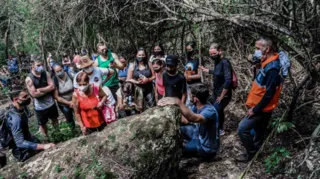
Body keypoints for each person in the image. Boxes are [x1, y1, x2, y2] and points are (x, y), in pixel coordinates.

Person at [236, 37, 282, 162]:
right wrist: (257, 65)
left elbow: (269, 93)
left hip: (262, 108)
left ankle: (251, 154)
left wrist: (255, 109)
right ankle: (256, 153)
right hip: (260, 106)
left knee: (242, 129)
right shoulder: (267, 61)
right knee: (259, 131)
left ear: (266, 49)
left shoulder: (272, 68)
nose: (255, 51)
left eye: (257, 48)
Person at [158, 83, 219, 159]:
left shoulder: (210, 111)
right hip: (197, 133)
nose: (188, 96)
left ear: (196, 99)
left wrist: (178, 102)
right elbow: (186, 120)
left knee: (180, 150)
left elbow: (193, 118)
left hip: (207, 148)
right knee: (179, 130)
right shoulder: (196, 105)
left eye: (190, 95)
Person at [0, 87, 55, 167]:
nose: (28, 98)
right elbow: (20, 142)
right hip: (14, 145)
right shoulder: (15, 118)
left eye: (27, 95)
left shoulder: (21, 108)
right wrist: (43, 146)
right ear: (15, 99)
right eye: (25, 97)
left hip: (20, 138)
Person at [200, 43, 233, 135]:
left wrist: (222, 96)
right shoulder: (217, 62)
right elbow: (218, 73)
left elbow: (228, 80)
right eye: (210, 54)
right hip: (216, 92)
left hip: (223, 94)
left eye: (214, 53)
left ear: (220, 51)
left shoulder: (225, 62)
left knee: (215, 110)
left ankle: (217, 129)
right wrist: (208, 70)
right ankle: (219, 129)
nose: (212, 56)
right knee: (218, 110)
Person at [25, 57, 59, 139]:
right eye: (38, 65)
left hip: (51, 102)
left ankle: (58, 134)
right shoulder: (29, 79)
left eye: (41, 65)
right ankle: (46, 138)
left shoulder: (45, 73)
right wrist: (48, 88)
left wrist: (40, 90)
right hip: (40, 106)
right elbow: (34, 94)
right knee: (43, 124)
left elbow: (53, 86)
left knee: (55, 119)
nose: (40, 67)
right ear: (33, 66)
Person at [52, 63, 75, 129]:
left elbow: (76, 88)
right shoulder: (55, 80)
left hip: (74, 99)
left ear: (63, 69)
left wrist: (73, 101)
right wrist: (69, 103)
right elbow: (56, 96)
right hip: (63, 103)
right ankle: (73, 131)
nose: (59, 72)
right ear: (54, 72)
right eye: (57, 71)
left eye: (60, 70)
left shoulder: (70, 75)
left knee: (80, 114)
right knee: (69, 118)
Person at [184, 42, 202, 108]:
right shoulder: (187, 59)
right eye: (187, 50)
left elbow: (200, 75)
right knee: (188, 102)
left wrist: (189, 77)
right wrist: (185, 75)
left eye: (190, 49)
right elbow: (186, 70)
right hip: (188, 84)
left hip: (196, 85)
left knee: (194, 102)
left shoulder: (198, 60)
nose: (188, 51)